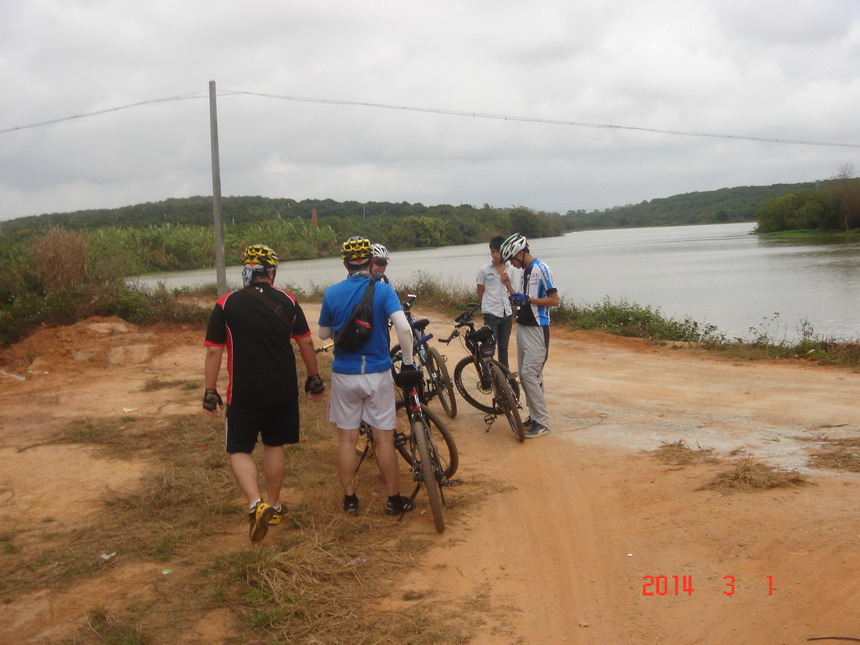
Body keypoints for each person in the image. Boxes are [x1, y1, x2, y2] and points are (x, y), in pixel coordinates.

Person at [203, 244, 325, 543]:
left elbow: (214, 351)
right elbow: (306, 342)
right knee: (274, 444)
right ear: (271, 273)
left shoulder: (226, 304)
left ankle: (255, 504)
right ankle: (274, 504)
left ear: (247, 271)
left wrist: (210, 390)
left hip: (243, 390)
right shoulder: (288, 300)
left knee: (239, 449)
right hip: (282, 389)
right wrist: (313, 377)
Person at [318, 236, 417, 516]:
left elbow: (323, 334)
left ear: (346, 264)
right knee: (384, 439)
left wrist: (341, 330)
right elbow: (404, 329)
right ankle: (393, 499)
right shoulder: (383, 291)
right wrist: (408, 363)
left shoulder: (332, 293)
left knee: (347, 441)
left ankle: (350, 500)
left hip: (345, 374)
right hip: (377, 373)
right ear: (371, 261)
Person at [500, 233, 559, 439]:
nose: (512, 264)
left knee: (529, 374)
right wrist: (509, 288)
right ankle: (534, 417)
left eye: (512, 260)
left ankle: (542, 422)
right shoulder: (525, 271)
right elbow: (524, 299)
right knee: (527, 376)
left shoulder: (542, 269)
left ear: (520, 253)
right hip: (523, 326)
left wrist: (528, 299)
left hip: (537, 328)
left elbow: (554, 300)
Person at [476, 235, 518, 368]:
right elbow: (480, 292)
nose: (495, 255)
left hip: (506, 313)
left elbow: (511, 290)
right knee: (489, 346)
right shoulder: (484, 270)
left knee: (504, 346)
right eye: (492, 251)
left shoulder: (510, 269)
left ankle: (503, 373)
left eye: (498, 252)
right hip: (491, 314)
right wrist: (488, 305)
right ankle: (487, 372)